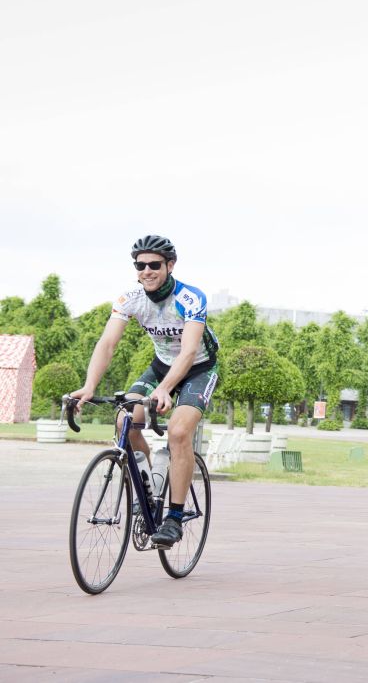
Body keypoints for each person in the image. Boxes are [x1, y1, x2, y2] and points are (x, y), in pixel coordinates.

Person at [70, 235, 220, 549]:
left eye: (154, 264)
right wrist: (89, 386)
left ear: (170, 265)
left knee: (178, 432)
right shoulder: (130, 299)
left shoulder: (190, 298)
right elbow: (107, 344)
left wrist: (166, 390)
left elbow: (190, 351)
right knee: (127, 420)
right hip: (161, 366)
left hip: (198, 369)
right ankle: (150, 488)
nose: (147, 271)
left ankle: (174, 518)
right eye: (141, 265)